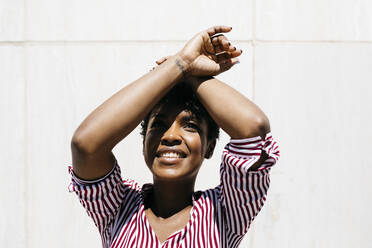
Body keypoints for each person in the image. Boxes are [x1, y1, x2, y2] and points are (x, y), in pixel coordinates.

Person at [68, 25, 280, 248]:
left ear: (209, 147)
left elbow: (253, 129)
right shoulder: (118, 207)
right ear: (144, 142)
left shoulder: (225, 213)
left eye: (189, 126)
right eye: (158, 125)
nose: (170, 136)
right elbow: (86, 145)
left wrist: (188, 75)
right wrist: (179, 64)